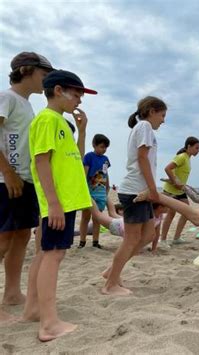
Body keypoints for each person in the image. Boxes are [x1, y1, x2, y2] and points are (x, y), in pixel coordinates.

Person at [25, 70, 97, 341]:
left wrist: (83, 131)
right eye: (76, 94)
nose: (79, 100)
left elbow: (75, 158)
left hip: (65, 201)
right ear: (58, 90)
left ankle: (34, 309)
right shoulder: (46, 120)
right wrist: (53, 204)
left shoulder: (60, 122)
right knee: (54, 255)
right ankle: (49, 324)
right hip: (58, 202)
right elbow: (41, 161)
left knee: (46, 254)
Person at [0, 52, 54, 323]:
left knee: (21, 236)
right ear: (26, 70)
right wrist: (7, 172)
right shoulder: (6, 97)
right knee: (3, 239)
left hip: (26, 181)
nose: (47, 80)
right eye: (44, 74)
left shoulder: (27, 105)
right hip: (5, 181)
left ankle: (11, 293)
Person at [101, 96, 167, 296]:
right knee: (131, 239)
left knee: (149, 235)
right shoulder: (145, 126)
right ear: (152, 111)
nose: (163, 120)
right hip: (134, 191)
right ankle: (110, 285)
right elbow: (142, 158)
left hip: (140, 191)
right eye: (162, 115)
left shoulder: (142, 128)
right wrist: (153, 188)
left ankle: (111, 272)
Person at [159, 137, 199, 248]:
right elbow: (167, 168)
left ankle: (176, 238)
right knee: (171, 214)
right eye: (196, 148)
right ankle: (162, 240)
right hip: (170, 191)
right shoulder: (182, 157)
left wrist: (180, 184)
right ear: (189, 147)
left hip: (180, 191)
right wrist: (175, 182)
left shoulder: (187, 158)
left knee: (187, 212)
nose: (198, 150)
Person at [79, 134, 111, 249]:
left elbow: (106, 174)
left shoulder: (105, 159)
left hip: (101, 192)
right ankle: (82, 242)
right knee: (85, 217)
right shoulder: (89, 156)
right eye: (102, 146)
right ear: (94, 145)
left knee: (97, 219)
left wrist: (107, 187)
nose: (104, 149)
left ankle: (95, 242)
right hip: (90, 191)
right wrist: (84, 190)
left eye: (106, 147)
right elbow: (85, 174)